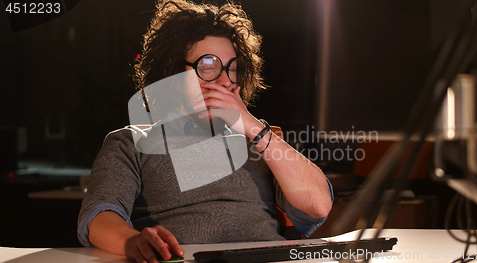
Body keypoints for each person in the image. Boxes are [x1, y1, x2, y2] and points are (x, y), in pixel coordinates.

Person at [77, 1, 333, 263]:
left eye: (232, 68)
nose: (225, 81)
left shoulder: (258, 140)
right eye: (208, 66)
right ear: (172, 73)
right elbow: (99, 216)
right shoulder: (130, 142)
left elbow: (318, 206)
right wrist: (132, 241)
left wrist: (252, 127)